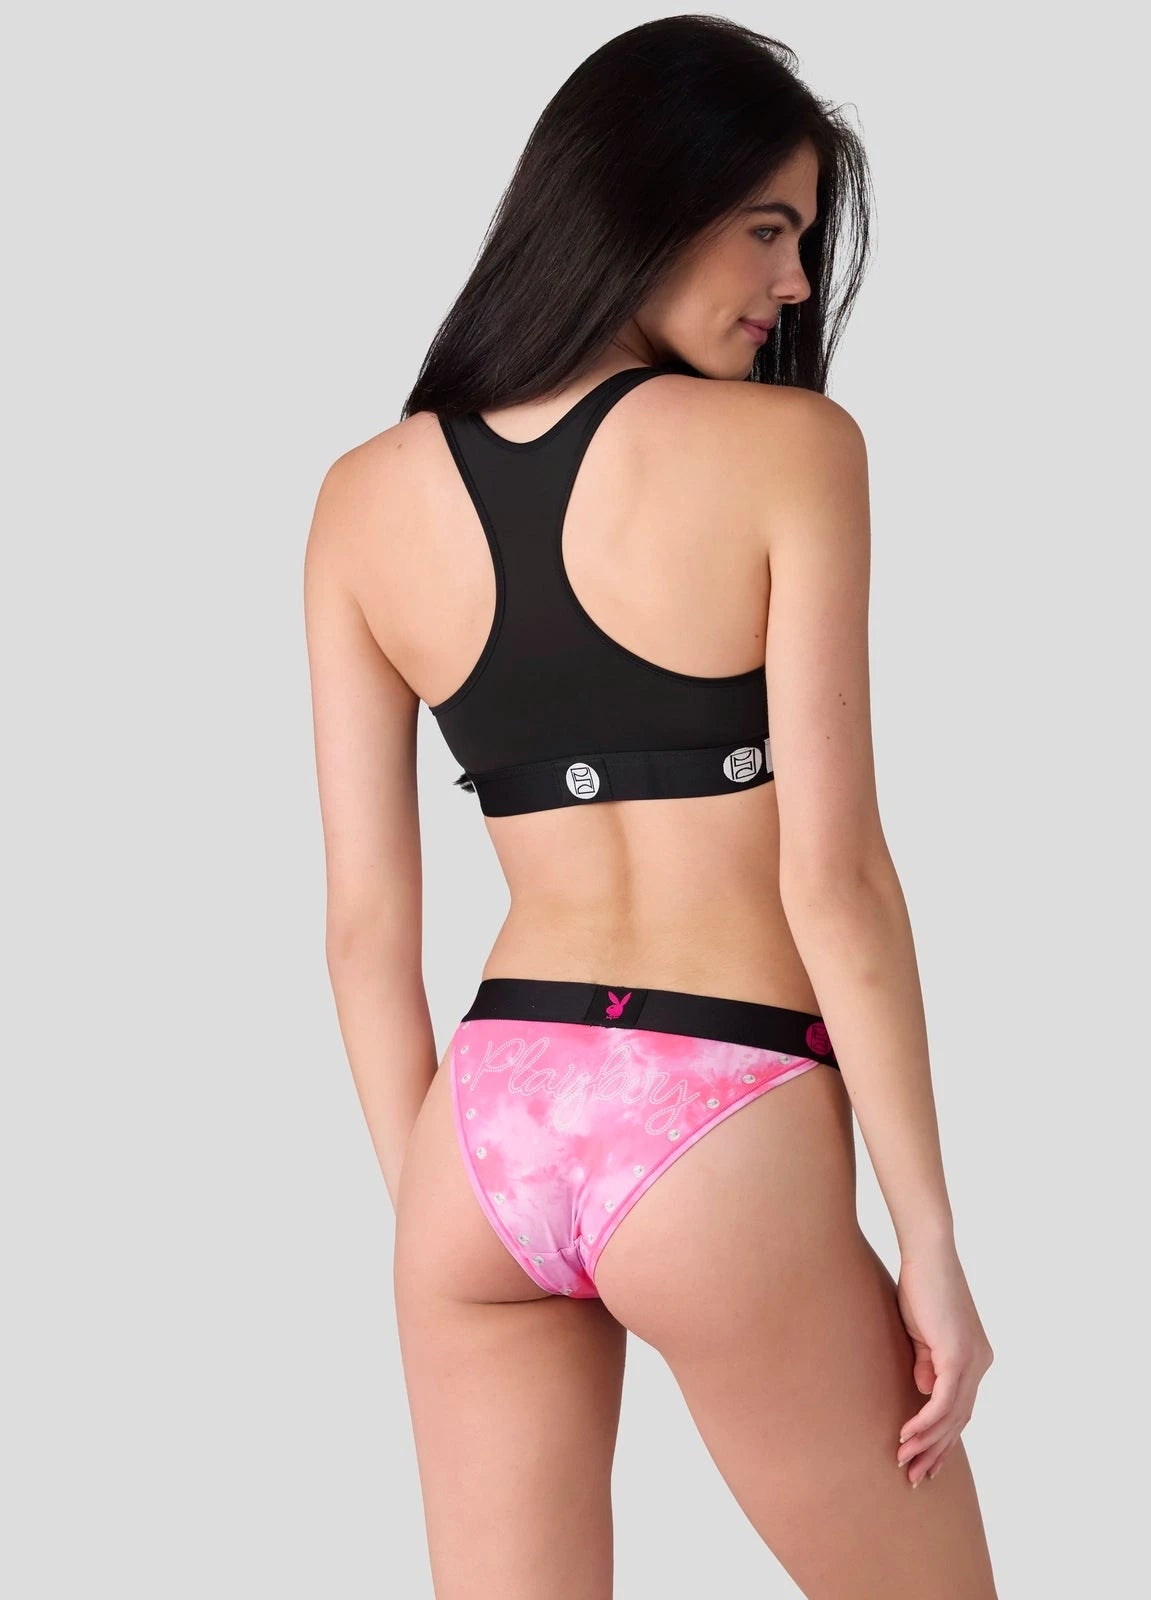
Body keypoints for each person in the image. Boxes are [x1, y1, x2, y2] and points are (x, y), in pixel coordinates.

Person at [304, 15, 998, 1597]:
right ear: (645, 198)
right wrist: (932, 1247)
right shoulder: (790, 453)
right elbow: (837, 884)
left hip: (482, 1128)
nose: (796, 283)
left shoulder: (360, 498)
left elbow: (361, 933)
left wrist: (439, 1211)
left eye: (804, 239)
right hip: (718, 1107)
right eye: (768, 227)